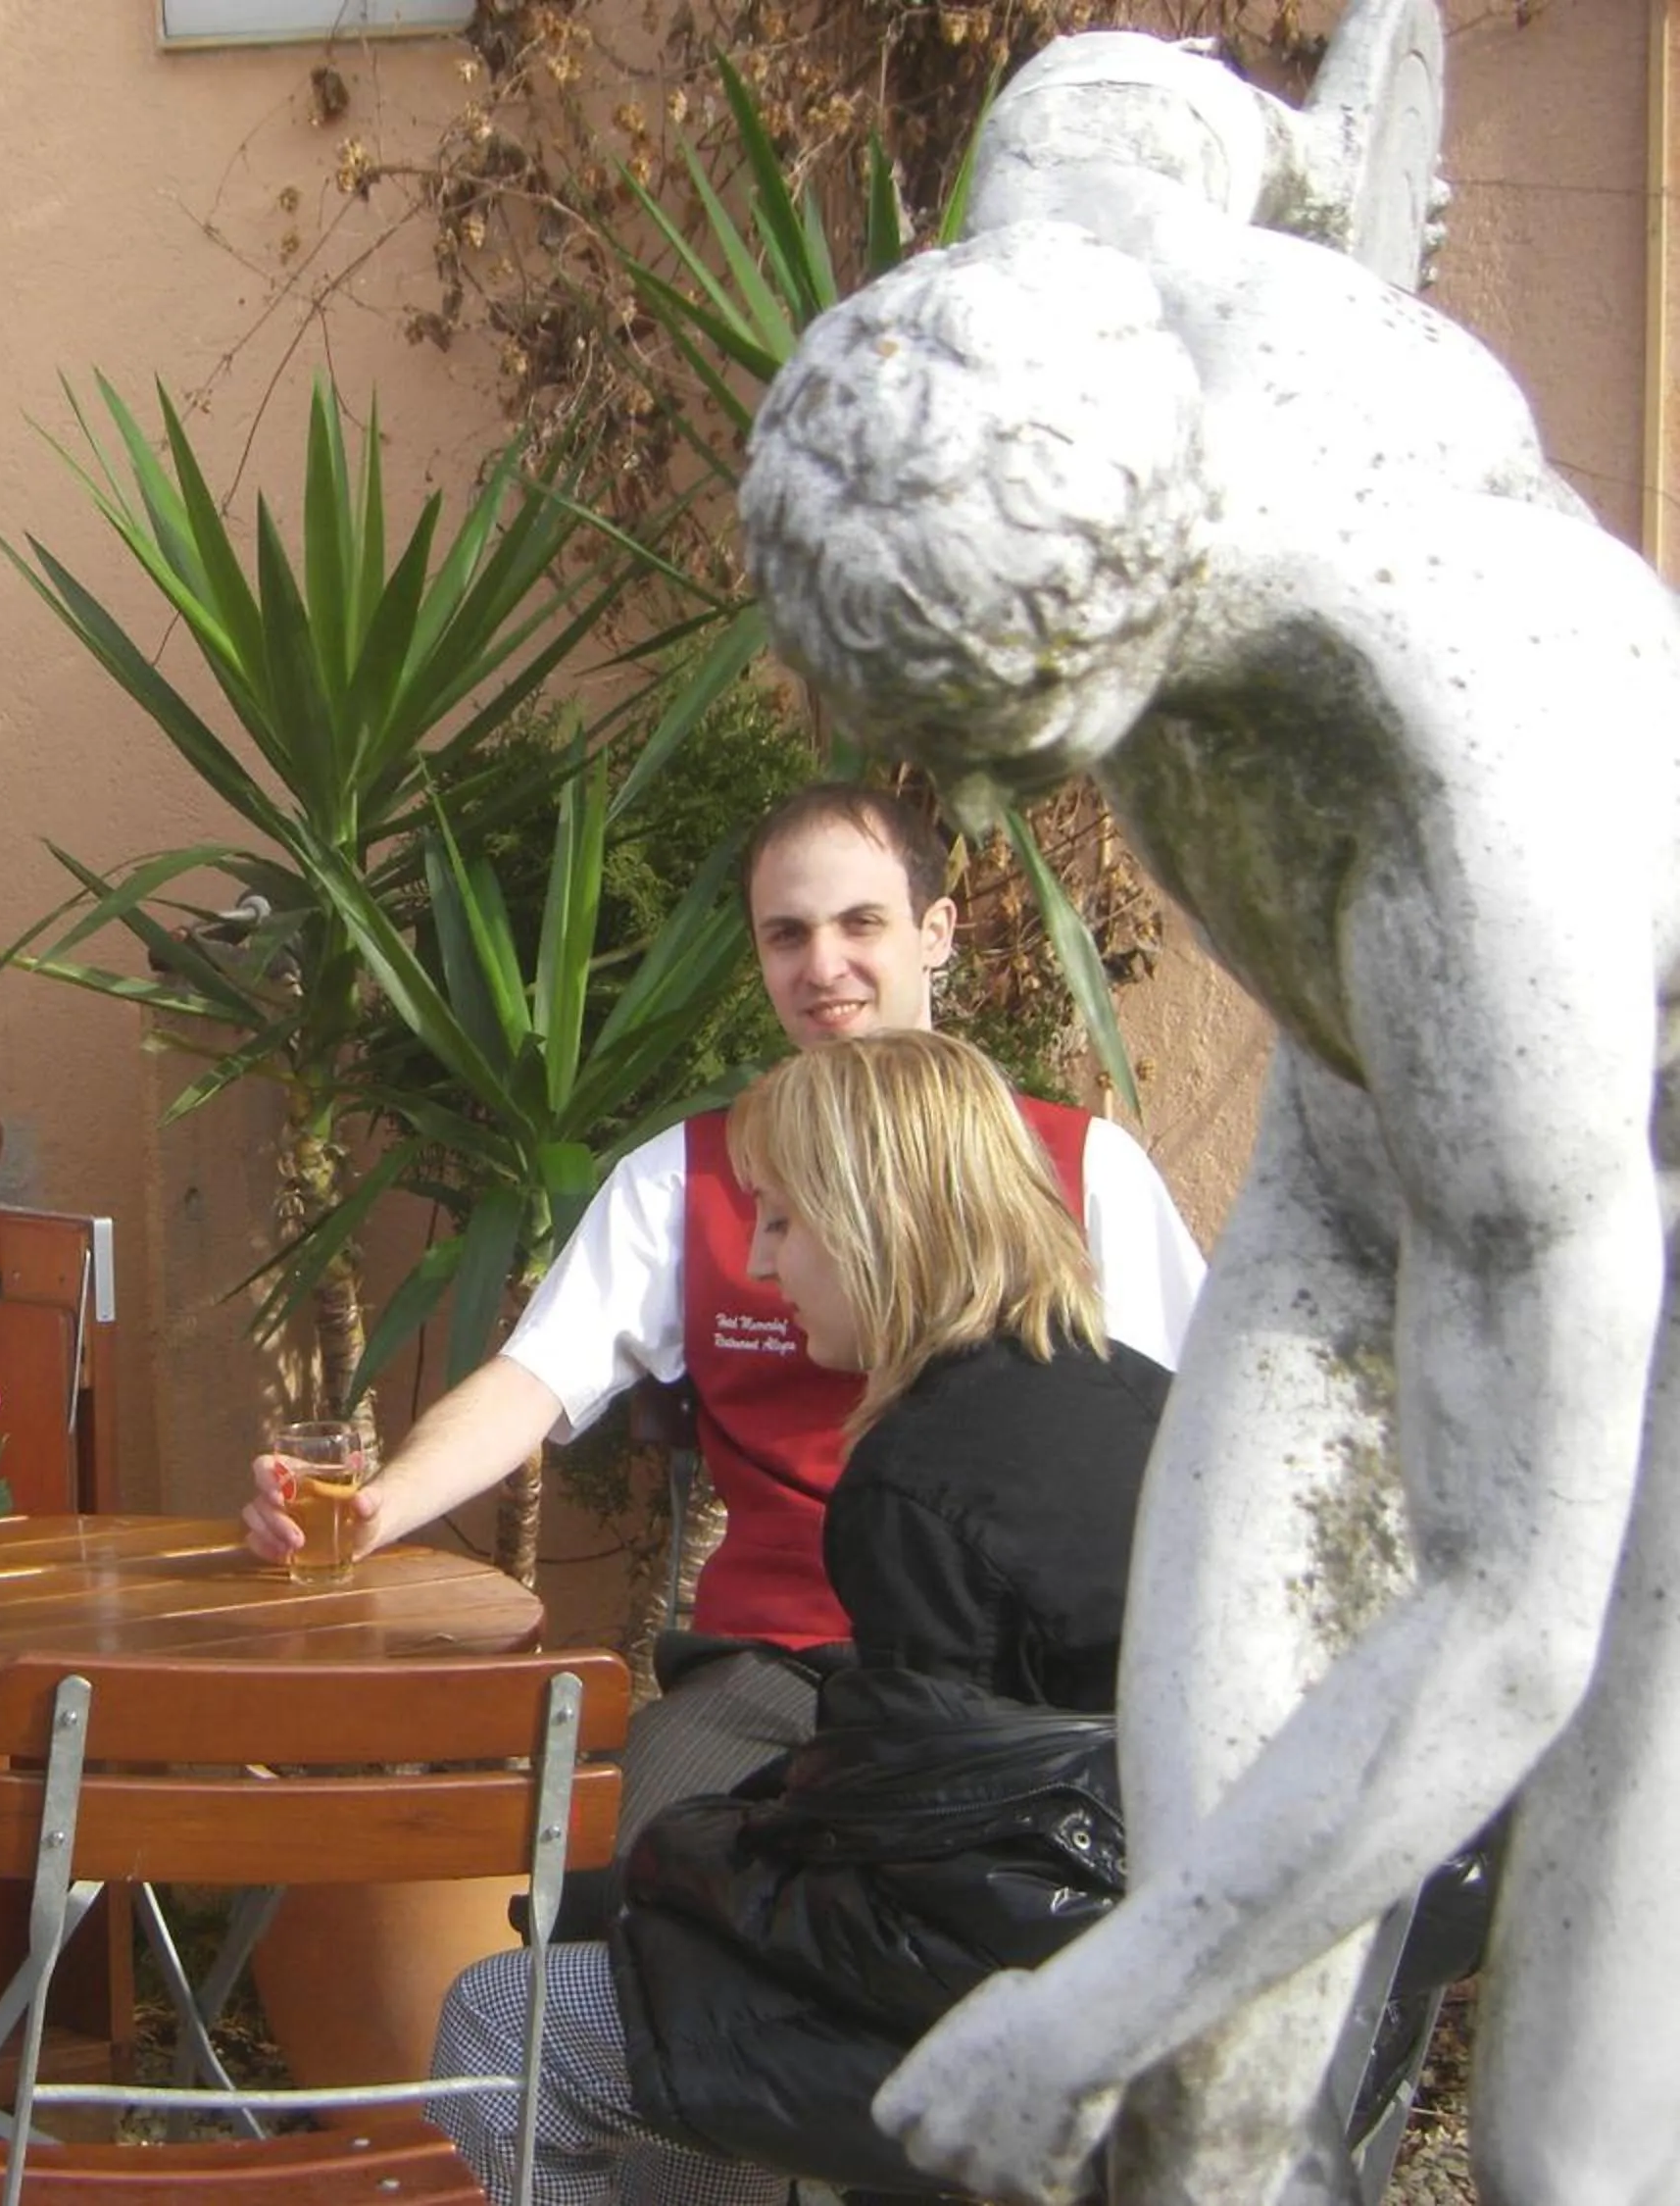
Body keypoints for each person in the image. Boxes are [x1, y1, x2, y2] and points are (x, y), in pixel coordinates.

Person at [738, 18, 1680, 2202]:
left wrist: (1082, 2002)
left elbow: (1506, 1616)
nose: (970, 799)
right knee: (1207, 2098)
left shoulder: (1493, 831)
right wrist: (1322, 156)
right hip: (1346, 1169)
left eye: (999, 745)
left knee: (1568, 2144)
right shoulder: (1054, 254)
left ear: (1121, 645)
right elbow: (1116, 88)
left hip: (1618, 1172)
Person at [243, 782, 1203, 1816]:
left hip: (1024, 1681)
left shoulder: (1082, 1167)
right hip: (784, 1667)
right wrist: (378, 1508)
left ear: (935, 934)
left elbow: (1191, 1436)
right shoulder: (686, 1177)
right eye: (787, 934)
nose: (822, 966)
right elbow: (533, 1379)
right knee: (638, 1855)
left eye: (860, 924)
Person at [429, 1030, 1166, 2206]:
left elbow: (922, 1905)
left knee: (510, 2024)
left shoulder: (918, 1481)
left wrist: (687, 1869)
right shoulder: (1146, 1397)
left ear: (874, 1221)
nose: (762, 1265)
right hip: (1193, 1977)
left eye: (779, 1221)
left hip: (1054, 2047)